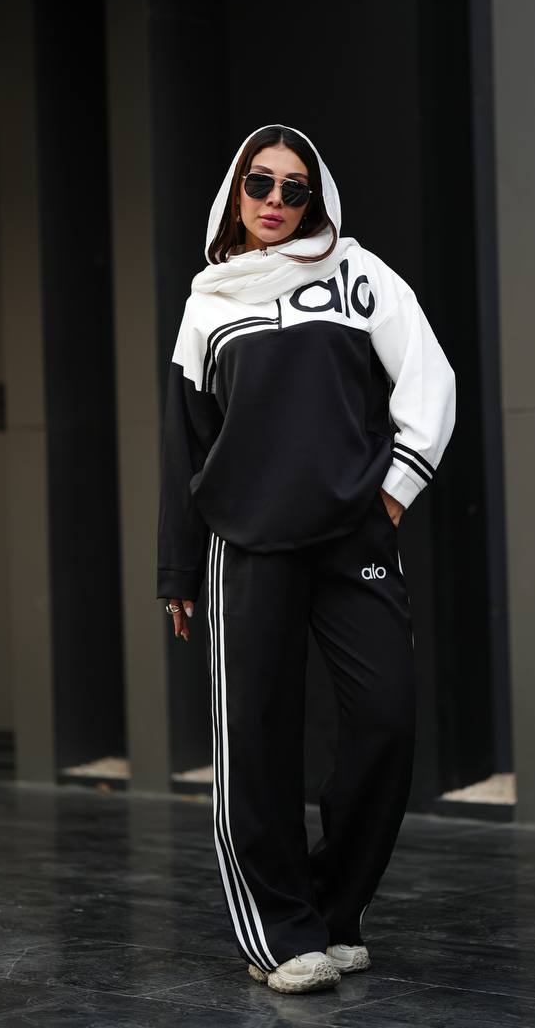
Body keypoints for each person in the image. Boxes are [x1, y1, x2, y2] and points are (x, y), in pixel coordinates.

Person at [156, 123, 455, 995]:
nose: (276, 202)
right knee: (254, 741)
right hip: (245, 543)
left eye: (295, 189)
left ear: (314, 200)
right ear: (235, 193)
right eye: (261, 183)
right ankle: (279, 932)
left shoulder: (360, 276)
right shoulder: (210, 302)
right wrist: (178, 570)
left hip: (351, 537)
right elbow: (185, 447)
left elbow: (429, 379)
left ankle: (333, 906)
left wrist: (390, 495)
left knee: (385, 723)